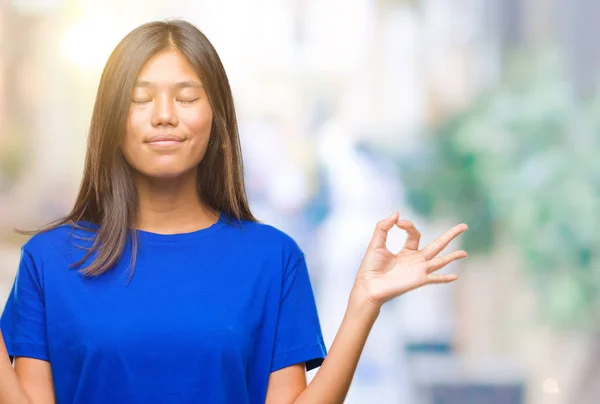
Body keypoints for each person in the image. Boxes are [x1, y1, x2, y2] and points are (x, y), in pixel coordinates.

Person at [0, 19, 468, 404]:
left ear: (216, 117)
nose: (165, 114)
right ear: (110, 119)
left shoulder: (272, 258)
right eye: (140, 99)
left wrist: (364, 303)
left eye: (186, 98)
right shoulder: (49, 260)